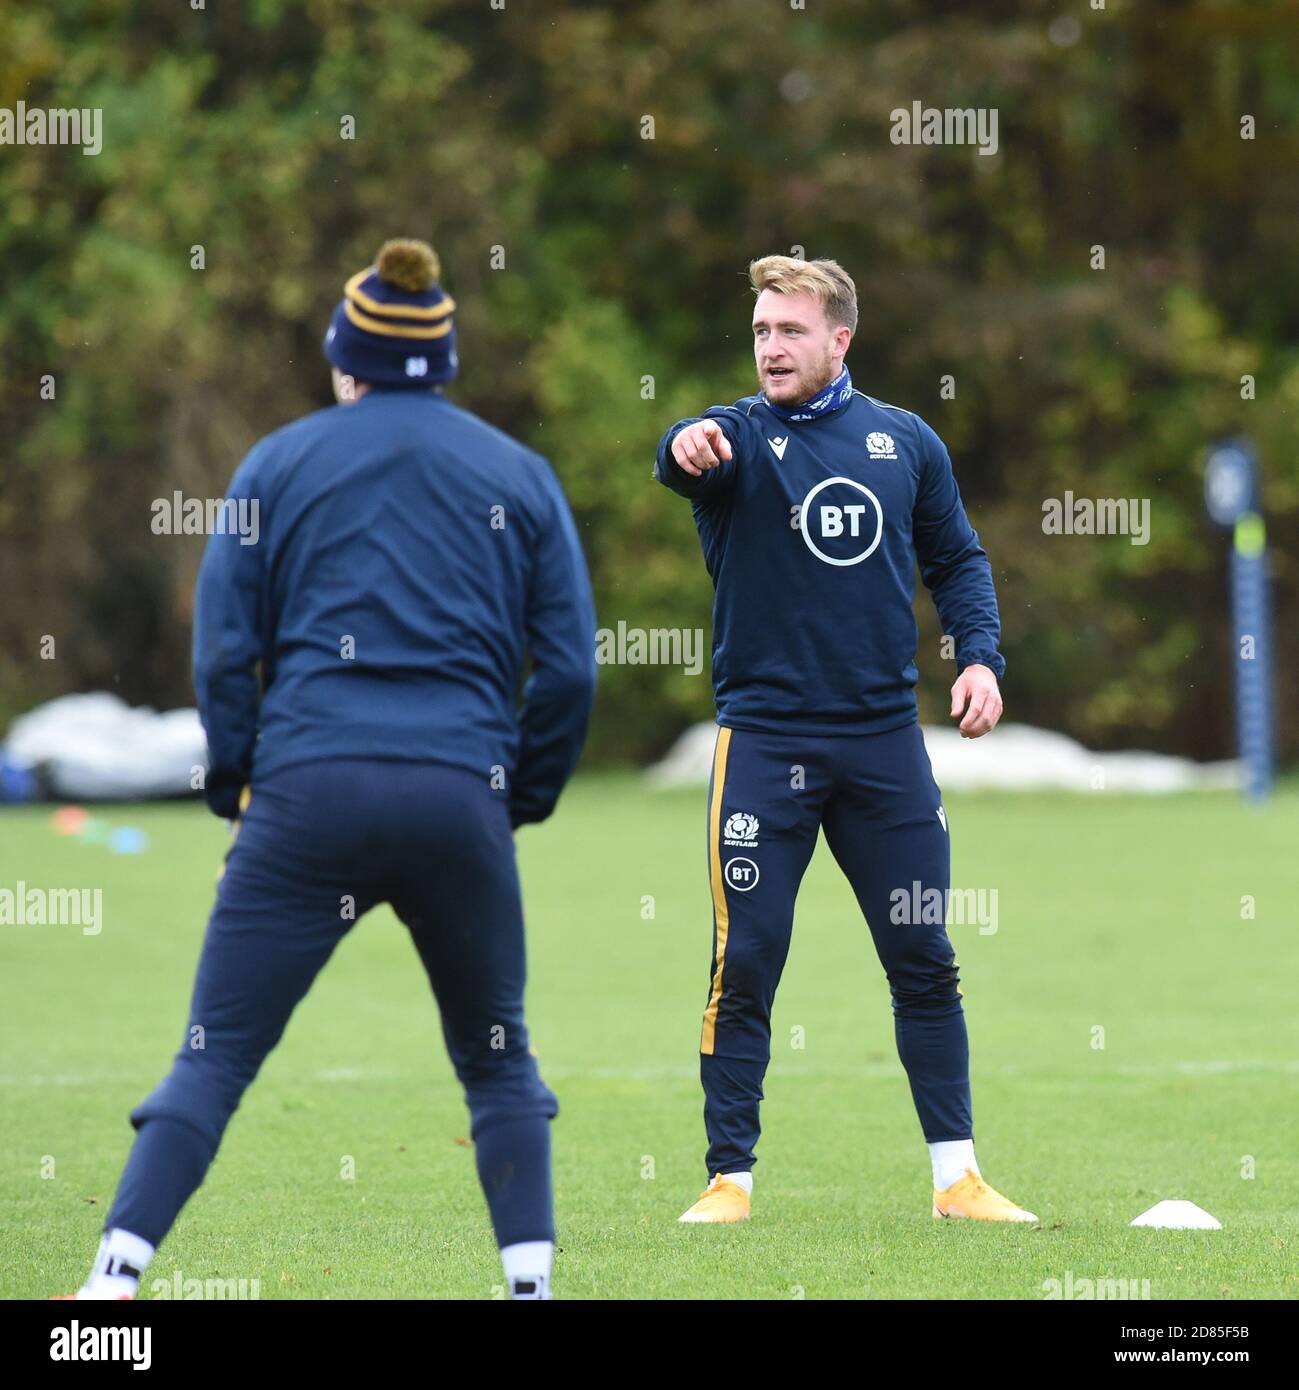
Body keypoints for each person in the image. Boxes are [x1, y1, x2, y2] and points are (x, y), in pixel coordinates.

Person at [60, 239, 596, 1301]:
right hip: (460, 798)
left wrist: (237, 785)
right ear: (443, 364)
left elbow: (221, 647)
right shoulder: (518, 474)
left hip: (308, 792)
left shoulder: (278, 462)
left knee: (211, 1057)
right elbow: (572, 669)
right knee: (498, 1061)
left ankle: (110, 1291)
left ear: (346, 363)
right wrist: (517, 796)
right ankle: (531, 1290)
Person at [654, 254, 1036, 1225]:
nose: (771, 347)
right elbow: (680, 452)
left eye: (790, 330)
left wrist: (980, 656)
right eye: (761, 331)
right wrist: (683, 441)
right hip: (764, 749)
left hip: (882, 750)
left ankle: (957, 1179)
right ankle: (727, 1179)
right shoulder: (733, 440)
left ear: (840, 339)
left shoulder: (904, 442)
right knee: (746, 960)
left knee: (924, 956)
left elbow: (957, 558)